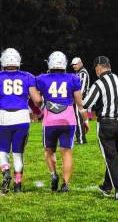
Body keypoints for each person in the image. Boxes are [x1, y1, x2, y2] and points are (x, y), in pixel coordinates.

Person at [0, 48, 42, 193]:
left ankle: (5, 171)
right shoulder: (27, 76)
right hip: (22, 117)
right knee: (18, 153)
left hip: (3, 117)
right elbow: (37, 100)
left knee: (2, 151)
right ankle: (18, 184)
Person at [36, 51, 89, 192]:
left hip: (50, 121)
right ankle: (65, 184)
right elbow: (79, 103)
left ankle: (54, 174)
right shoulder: (73, 78)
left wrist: (38, 110)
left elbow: (36, 99)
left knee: (48, 151)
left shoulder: (42, 78)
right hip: (68, 120)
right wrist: (86, 120)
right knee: (66, 152)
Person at [83, 56, 118, 201]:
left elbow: (86, 103)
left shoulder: (99, 84)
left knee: (110, 158)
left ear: (98, 68)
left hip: (106, 124)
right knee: (113, 155)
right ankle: (106, 186)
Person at [71, 57, 90, 144]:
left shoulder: (82, 73)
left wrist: (77, 99)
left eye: (76, 64)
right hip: (78, 99)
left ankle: (81, 139)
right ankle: (79, 137)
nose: (74, 66)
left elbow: (81, 89)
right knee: (77, 119)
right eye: (73, 65)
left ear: (80, 63)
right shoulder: (79, 73)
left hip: (79, 100)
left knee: (78, 119)